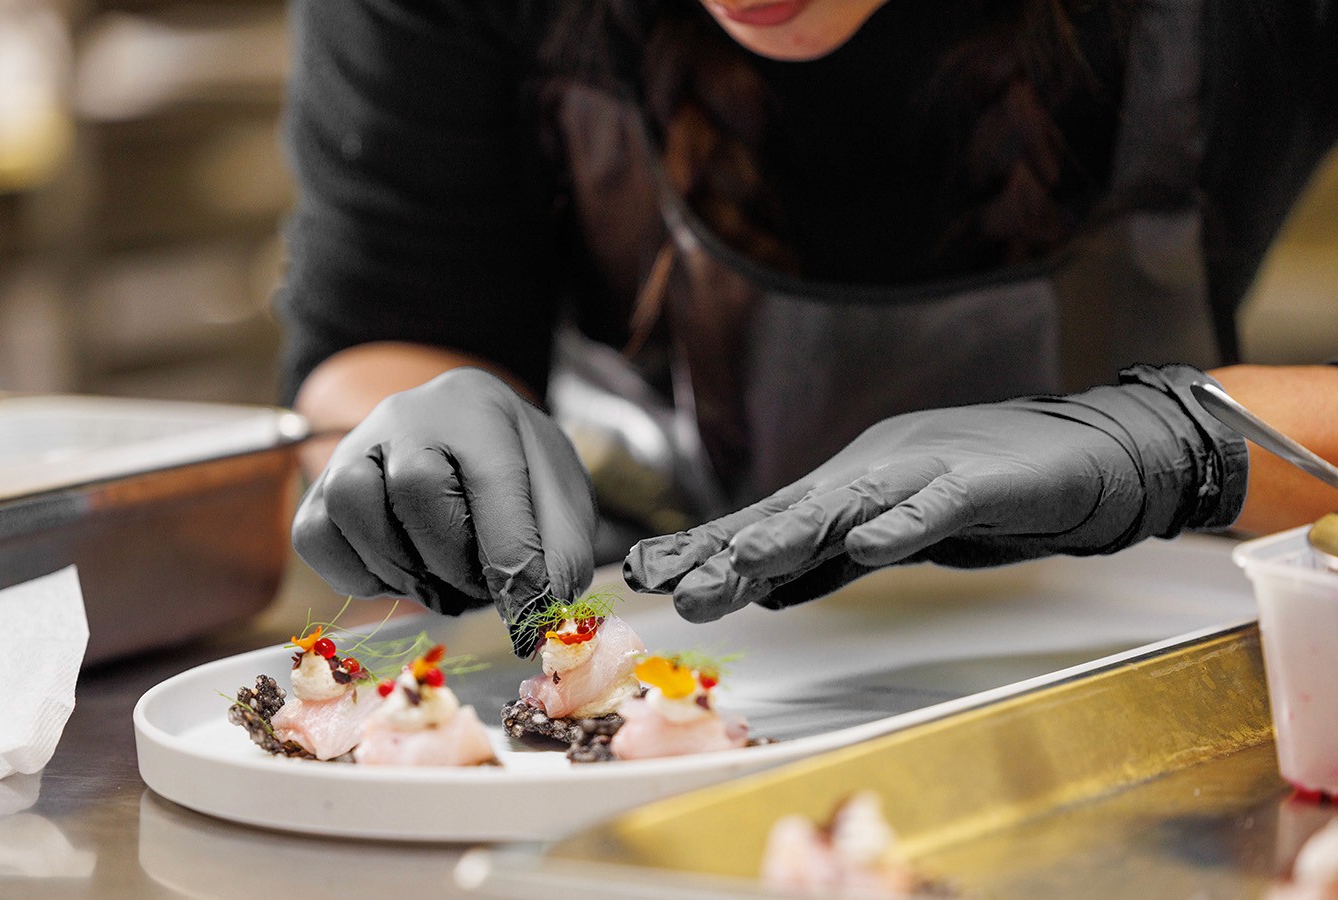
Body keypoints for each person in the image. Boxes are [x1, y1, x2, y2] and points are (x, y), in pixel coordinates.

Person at [280, 0, 1338, 655]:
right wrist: (399, 449)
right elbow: (379, 333)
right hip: (648, 699)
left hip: (1175, 675)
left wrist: (1189, 446)